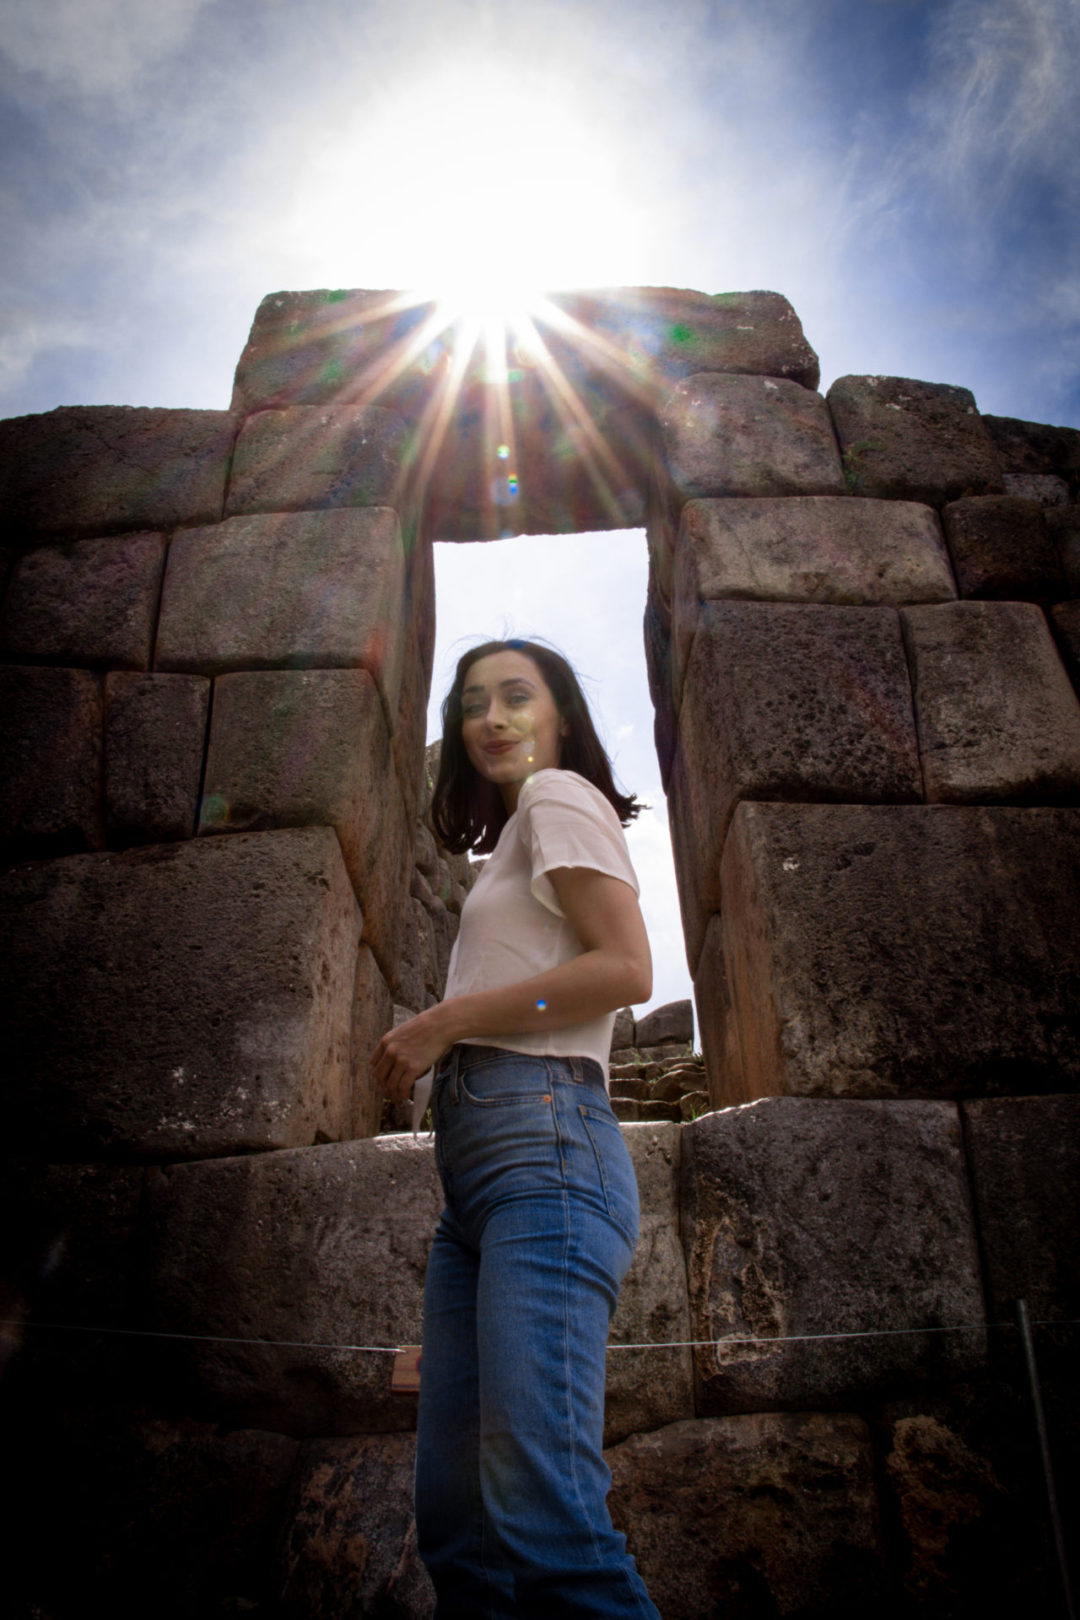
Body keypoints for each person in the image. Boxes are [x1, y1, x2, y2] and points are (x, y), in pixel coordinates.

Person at [374, 638, 661, 1619]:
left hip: (545, 1151)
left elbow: (628, 972)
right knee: (461, 1531)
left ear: (562, 717)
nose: (490, 717)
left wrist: (443, 1023)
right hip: (481, 1185)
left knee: (546, 1520)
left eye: (515, 696)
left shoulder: (556, 797)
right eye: (471, 703)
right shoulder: (508, 849)